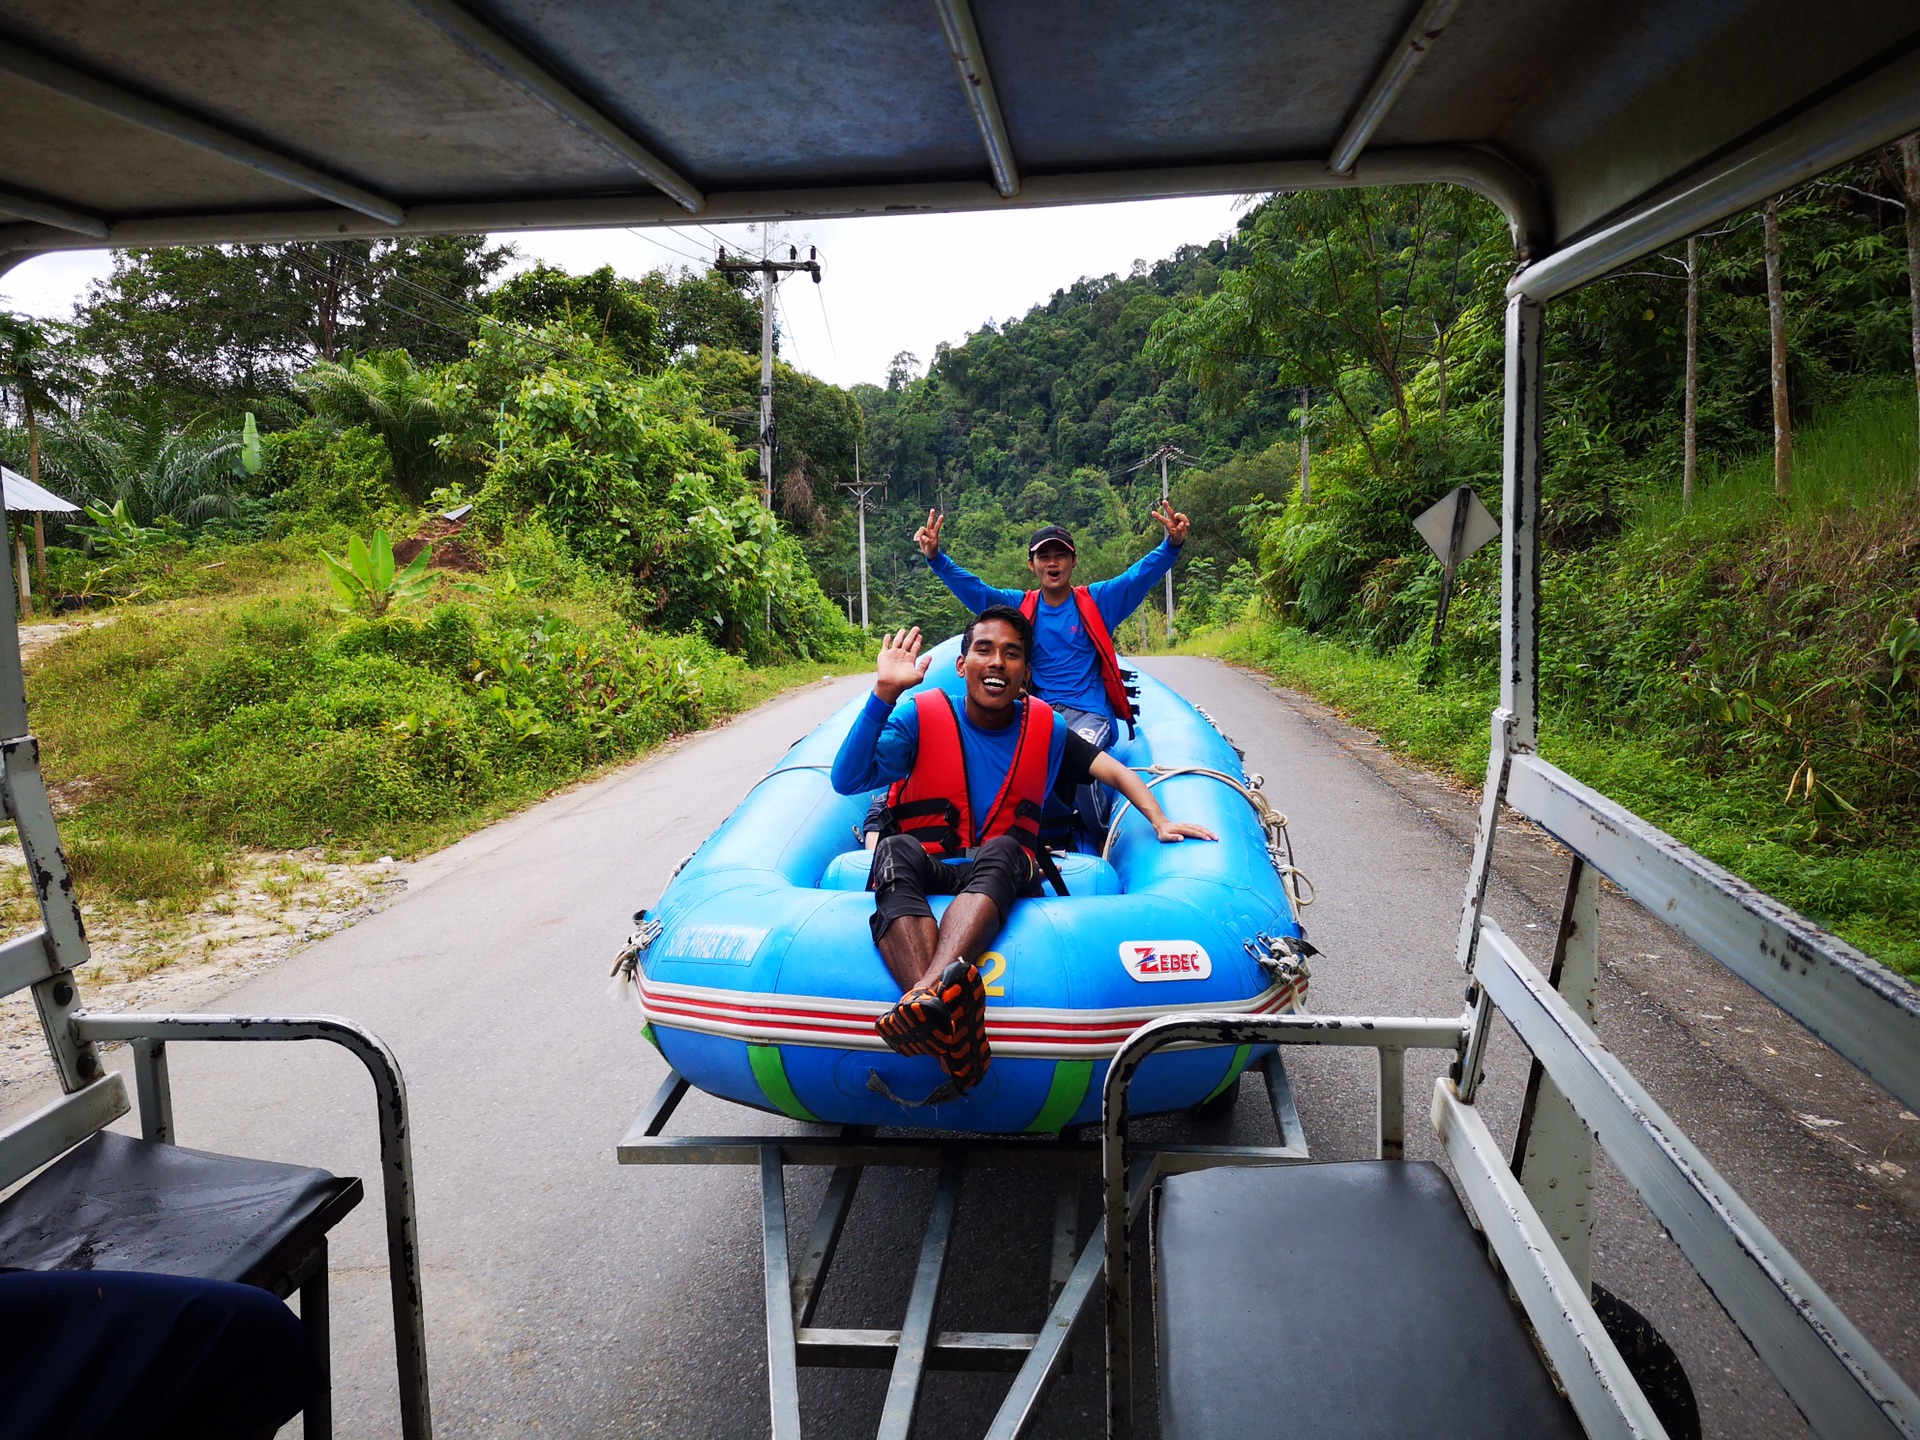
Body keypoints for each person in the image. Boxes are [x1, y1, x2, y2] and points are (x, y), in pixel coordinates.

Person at [832, 606, 1216, 1093]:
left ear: (1026, 673)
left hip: (1002, 872)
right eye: (985, 650)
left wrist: (1160, 820)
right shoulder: (920, 716)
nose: (997, 662)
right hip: (936, 865)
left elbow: (1115, 772)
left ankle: (927, 995)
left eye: (1012, 654)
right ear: (962, 663)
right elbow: (847, 778)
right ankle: (943, 1013)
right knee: (896, 848)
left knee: (1008, 847)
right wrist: (884, 694)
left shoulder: (1047, 728)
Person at [913, 503, 1190, 745]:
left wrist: (1172, 545)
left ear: (1074, 561)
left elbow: (1137, 577)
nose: (1053, 562)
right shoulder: (1020, 608)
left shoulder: (1098, 601)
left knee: (1078, 757)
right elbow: (977, 591)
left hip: (1089, 714)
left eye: (1061, 555)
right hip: (1039, 712)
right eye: (1044, 556)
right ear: (1032, 565)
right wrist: (936, 558)